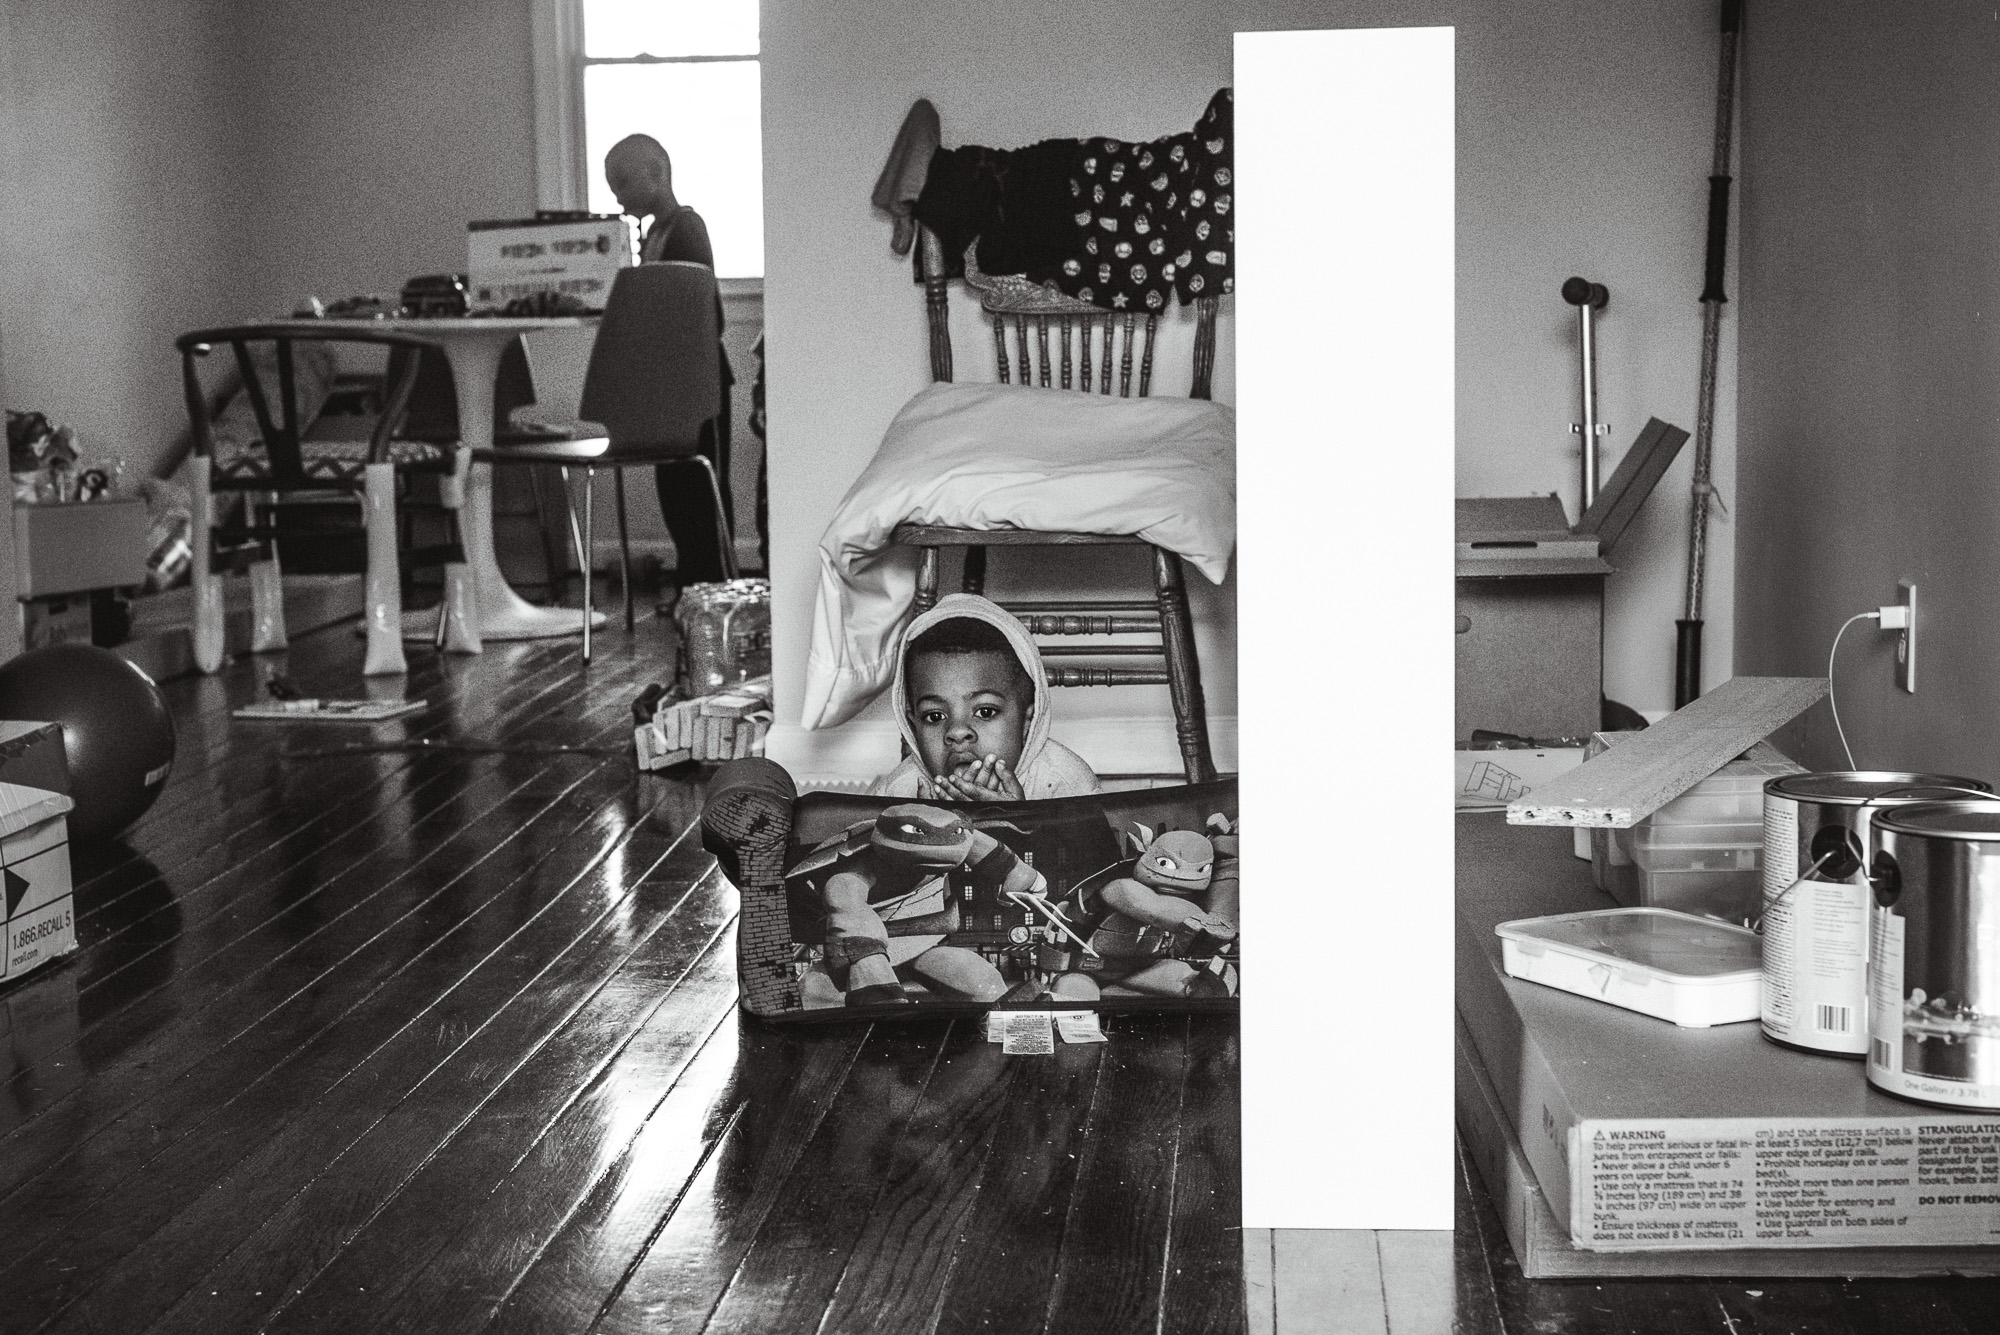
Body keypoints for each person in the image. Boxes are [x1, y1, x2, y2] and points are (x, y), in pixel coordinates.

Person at [603, 133, 739, 587]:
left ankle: (715, 584)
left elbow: (705, 311)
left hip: (699, 381)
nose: (616, 195)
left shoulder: (687, 227)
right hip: (671, 384)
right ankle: (691, 581)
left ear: (656, 174)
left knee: (704, 488)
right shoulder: (652, 235)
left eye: (622, 182)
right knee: (675, 490)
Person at [869, 593, 1100, 801]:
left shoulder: (1067, 786)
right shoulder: (896, 794)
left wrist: (1019, 822)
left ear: (1027, 723)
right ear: (913, 725)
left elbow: (1095, 848)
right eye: (935, 716)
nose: (957, 732)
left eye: (985, 712)